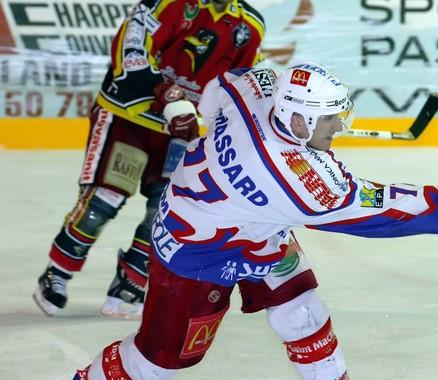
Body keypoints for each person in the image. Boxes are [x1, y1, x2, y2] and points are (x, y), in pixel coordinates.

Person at [26, 61, 438, 380]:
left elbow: (220, 87)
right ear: (298, 118)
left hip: (258, 229)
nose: (338, 127)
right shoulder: (299, 182)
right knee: (161, 362)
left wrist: (195, 118)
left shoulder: (256, 90)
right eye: (330, 120)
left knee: (304, 314)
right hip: (196, 249)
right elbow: (378, 209)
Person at [33, 0, 265, 319]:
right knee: (103, 200)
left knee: (165, 209)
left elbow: (241, 87)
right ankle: (57, 272)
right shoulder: (166, 3)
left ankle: (130, 281)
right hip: (128, 116)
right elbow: (130, 53)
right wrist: (165, 94)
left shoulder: (250, 25)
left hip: (180, 129)